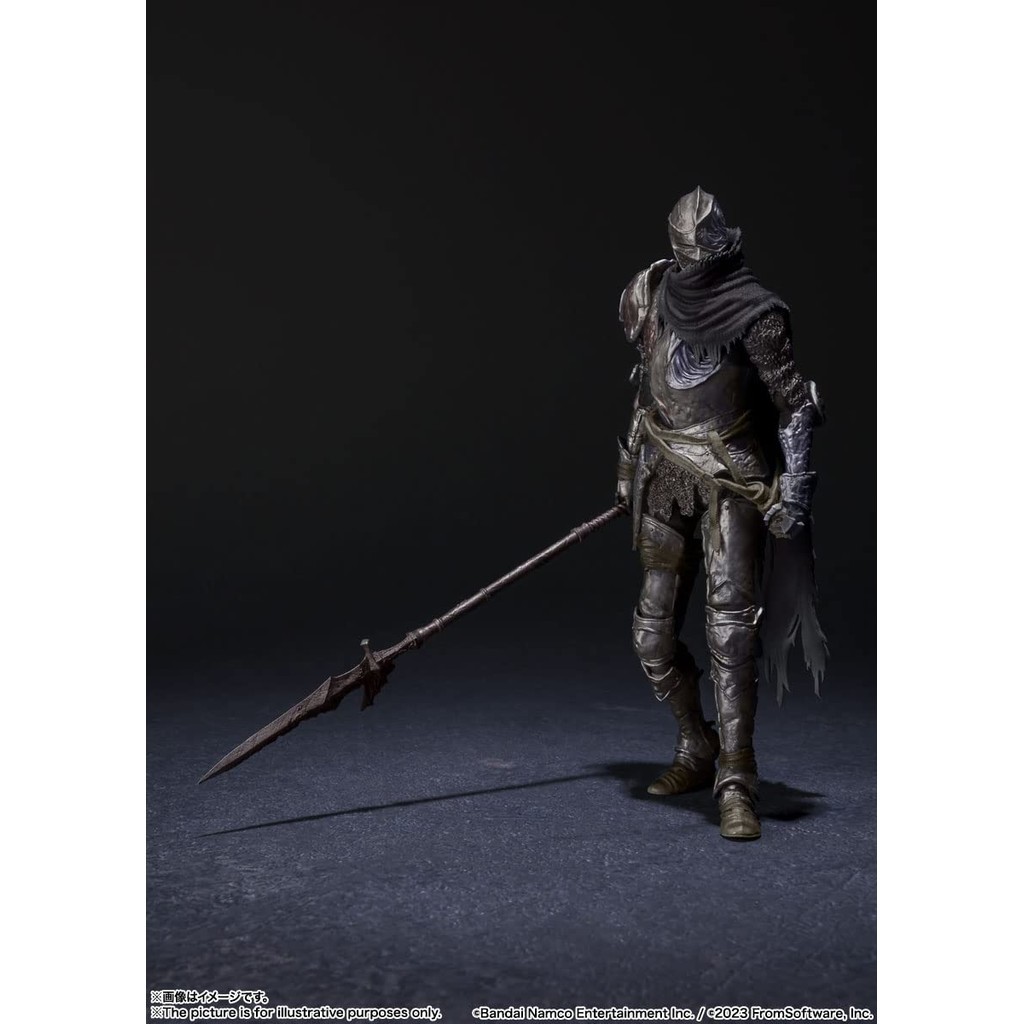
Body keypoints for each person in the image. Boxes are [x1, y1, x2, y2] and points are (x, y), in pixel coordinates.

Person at [615, 186, 827, 841]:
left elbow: (795, 405)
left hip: (734, 479)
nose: (690, 268)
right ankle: (696, 744)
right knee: (651, 635)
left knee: (731, 635)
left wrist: (794, 490)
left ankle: (737, 779)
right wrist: (627, 468)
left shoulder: (755, 314)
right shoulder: (651, 292)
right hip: (663, 475)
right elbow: (647, 383)